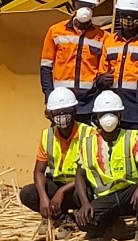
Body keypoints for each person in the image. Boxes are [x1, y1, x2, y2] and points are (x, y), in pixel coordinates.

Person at [73, 90, 138, 238]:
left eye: (112, 113)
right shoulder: (87, 143)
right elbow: (79, 176)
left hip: (130, 194)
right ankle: (111, 224)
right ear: (96, 117)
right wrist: (85, 203)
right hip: (104, 198)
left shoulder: (132, 137)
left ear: (120, 115)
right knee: (84, 222)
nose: (108, 118)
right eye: (103, 114)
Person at [39, 0, 106, 122]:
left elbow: (103, 71)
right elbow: (46, 68)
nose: (85, 9)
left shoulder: (102, 37)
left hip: (89, 104)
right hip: (61, 100)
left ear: (94, 6)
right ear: (74, 4)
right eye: (81, 4)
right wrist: (49, 97)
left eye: (89, 5)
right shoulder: (55, 31)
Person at [19, 87, 87, 224]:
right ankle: (61, 218)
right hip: (56, 183)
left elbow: (91, 173)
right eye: (57, 112)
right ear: (50, 114)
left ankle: (80, 215)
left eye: (66, 112)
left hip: (79, 186)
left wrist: (62, 191)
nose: (61, 116)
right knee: (27, 194)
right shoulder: (47, 136)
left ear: (74, 111)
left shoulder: (88, 134)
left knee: (87, 194)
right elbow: (39, 171)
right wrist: (44, 197)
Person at [100, 0, 138, 131]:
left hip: (137, 111)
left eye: (132, 15)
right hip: (113, 108)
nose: (128, 19)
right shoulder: (110, 41)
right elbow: (101, 72)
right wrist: (101, 79)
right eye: (124, 14)